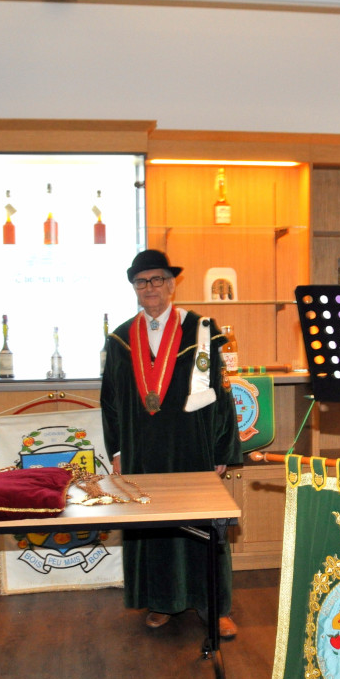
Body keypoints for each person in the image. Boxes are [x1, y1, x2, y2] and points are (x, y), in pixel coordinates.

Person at [100, 249, 242, 639]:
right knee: (152, 528)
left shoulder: (201, 331)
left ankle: (214, 607)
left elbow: (221, 393)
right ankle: (160, 601)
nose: (150, 287)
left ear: (172, 284)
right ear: (134, 288)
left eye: (158, 279)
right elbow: (110, 400)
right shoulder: (121, 339)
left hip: (191, 447)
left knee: (202, 525)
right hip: (141, 451)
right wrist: (117, 451)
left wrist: (220, 450)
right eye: (141, 281)